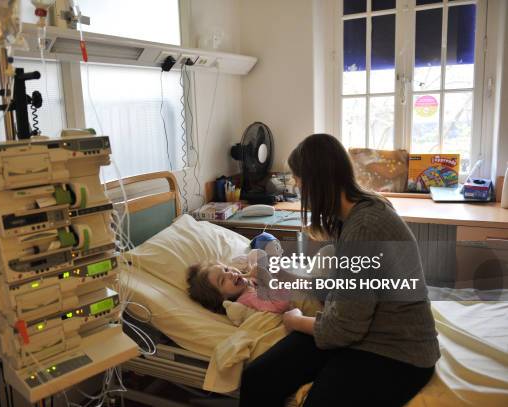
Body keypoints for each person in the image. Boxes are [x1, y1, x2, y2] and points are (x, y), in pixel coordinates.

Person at [239, 134, 440, 407]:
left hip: (397, 351)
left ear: (315, 183)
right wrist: (290, 278)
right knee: (257, 377)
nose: (299, 193)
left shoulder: (365, 227)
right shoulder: (357, 212)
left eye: (299, 184)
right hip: (363, 332)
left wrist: (294, 319)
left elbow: (342, 331)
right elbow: (346, 290)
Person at [187, 261, 291, 314]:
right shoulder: (247, 299)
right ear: (222, 298)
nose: (230, 274)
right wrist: (267, 277)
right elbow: (281, 305)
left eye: (227, 269)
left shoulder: (249, 282)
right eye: (222, 280)